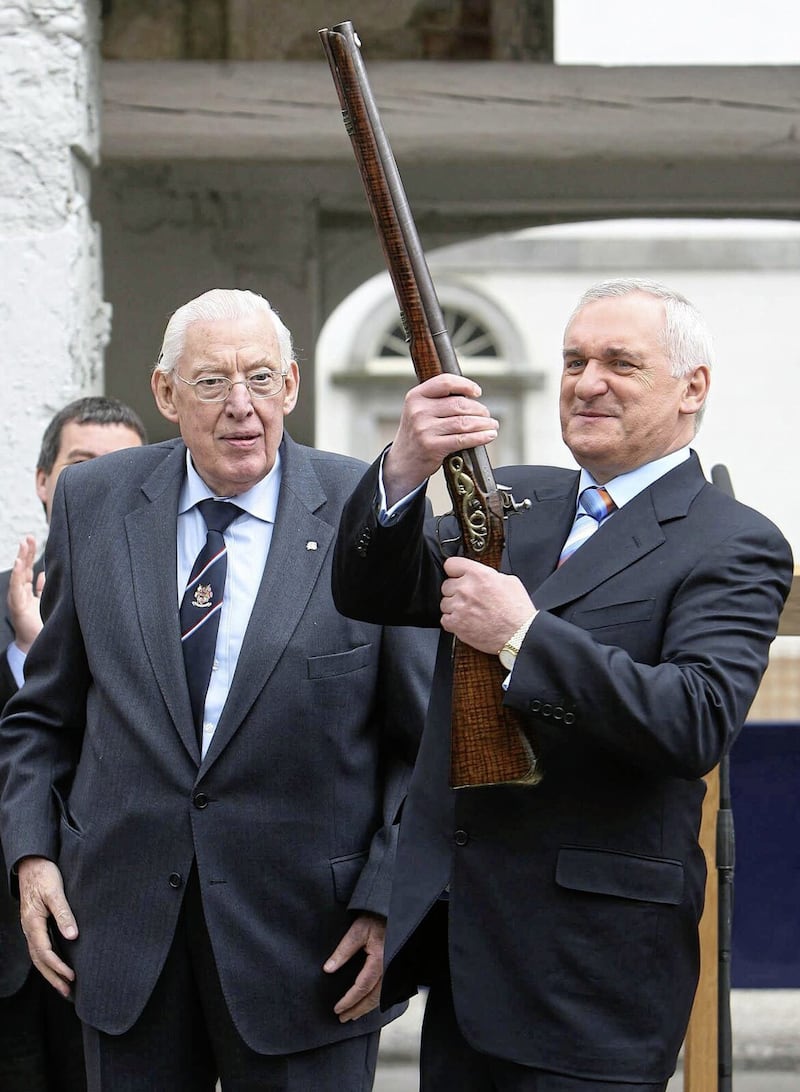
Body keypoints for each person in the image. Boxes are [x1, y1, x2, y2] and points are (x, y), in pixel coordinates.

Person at [331, 278, 794, 1091]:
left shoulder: (735, 541)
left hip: (596, 981)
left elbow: (693, 722)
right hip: (466, 963)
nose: (586, 382)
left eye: (621, 362)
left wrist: (523, 634)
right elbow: (370, 590)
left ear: (693, 388)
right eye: (575, 360)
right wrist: (405, 466)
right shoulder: (520, 500)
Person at [0, 289, 434, 1092]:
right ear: (166, 393)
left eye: (261, 379)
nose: (242, 406)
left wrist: (389, 899)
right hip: (125, 941)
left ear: (293, 387)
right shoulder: (96, 504)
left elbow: (424, 743)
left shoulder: (368, 511)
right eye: (211, 383)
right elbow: (42, 716)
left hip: (315, 953)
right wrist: (31, 857)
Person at [0, 395, 146, 1091]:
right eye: (81, 465)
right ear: (43, 481)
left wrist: (41, 653)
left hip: (116, 951)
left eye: (121, 467)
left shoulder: (176, 615)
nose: (99, 483)